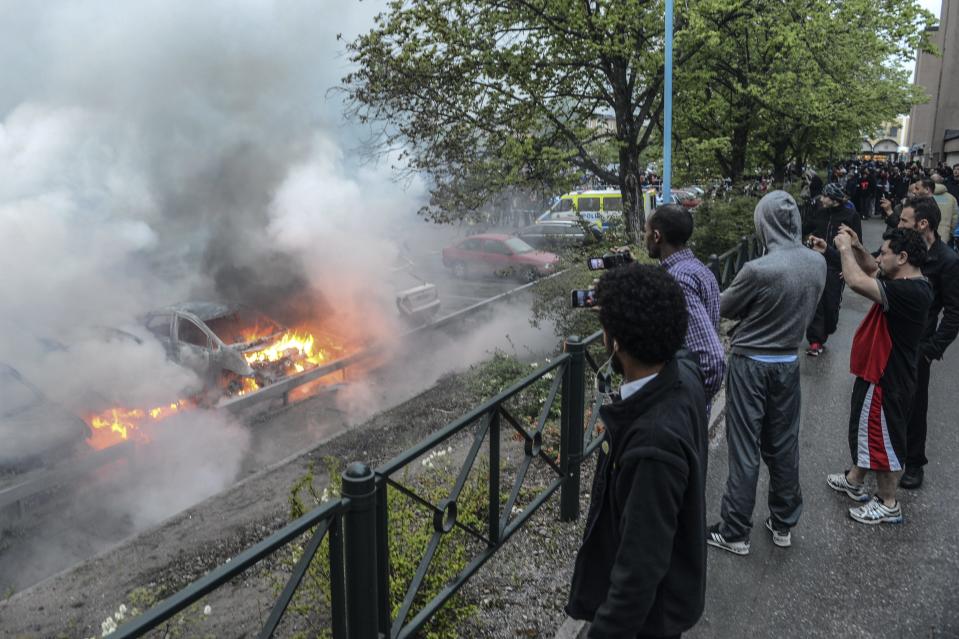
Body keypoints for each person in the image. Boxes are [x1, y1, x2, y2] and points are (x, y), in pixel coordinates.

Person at [566, 263, 707, 639]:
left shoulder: (653, 444)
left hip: (649, 620)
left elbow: (639, 571)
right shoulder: (683, 374)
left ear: (613, 342)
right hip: (670, 598)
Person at [707, 191, 826, 555]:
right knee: (784, 444)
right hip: (788, 362)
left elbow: (721, 308)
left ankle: (735, 530)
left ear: (764, 224)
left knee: (745, 448)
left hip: (751, 364)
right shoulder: (816, 263)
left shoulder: (758, 269)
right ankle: (783, 521)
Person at [825, 227, 932, 524]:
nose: (879, 257)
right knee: (867, 430)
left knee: (881, 440)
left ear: (902, 256)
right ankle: (855, 479)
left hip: (887, 377)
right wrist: (858, 246)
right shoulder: (907, 282)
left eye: (884, 252)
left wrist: (846, 249)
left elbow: (858, 280)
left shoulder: (910, 292)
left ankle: (888, 502)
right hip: (881, 372)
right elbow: (873, 270)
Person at [891, 197, 959, 488]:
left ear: (923, 224)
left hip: (920, 347)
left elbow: (954, 312)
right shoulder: (906, 248)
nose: (899, 225)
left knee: (915, 406)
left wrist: (932, 350)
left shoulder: (947, 260)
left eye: (905, 221)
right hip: (894, 337)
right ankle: (884, 459)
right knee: (889, 402)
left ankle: (914, 463)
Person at [644, 204, 726, 404]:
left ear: (656, 236)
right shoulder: (697, 269)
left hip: (681, 405)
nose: (643, 238)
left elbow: (712, 359)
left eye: (645, 232)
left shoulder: (678, 280)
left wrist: (690, 401)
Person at [803, 182, 861, 356]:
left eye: (825, 196)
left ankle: (826, 330)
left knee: (831, 303)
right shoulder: (820, 212)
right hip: (817, 263)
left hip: (837, 265)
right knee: (816, 303)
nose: (821, 198)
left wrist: (851, 266)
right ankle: (815, 340)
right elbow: (805, 227)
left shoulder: (851, 216)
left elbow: (858, 246)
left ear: (834, 199)